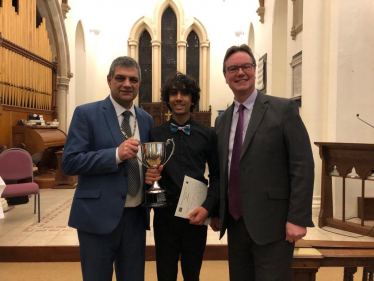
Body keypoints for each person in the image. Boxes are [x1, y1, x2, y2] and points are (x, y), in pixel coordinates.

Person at [210, 44, 315, 281]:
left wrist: (297, 218)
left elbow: (302, 165)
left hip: (274, 223)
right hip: (236, 224)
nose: (240, 73)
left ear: (254, 70)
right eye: (233, 69)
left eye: (246, 66)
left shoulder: (283, 109)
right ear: (226, 77)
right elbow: (223, 171)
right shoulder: (222, 120)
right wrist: (217, 211)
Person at [62, 56, 153, 281]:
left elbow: (145, 161)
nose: (127, 84)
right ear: (109, 80)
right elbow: (70, 162)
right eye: (120, 78)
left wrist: (150, 174)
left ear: (139, 84)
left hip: (135, 217)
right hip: (97, 215)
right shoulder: (86, 114)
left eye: (133, 79)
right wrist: (114, 155)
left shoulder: (146, 119)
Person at [145, 72, 219, 281]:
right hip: (164, 215)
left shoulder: (207, 134)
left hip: (195, 214)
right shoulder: (155, 134)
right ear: (167, 99)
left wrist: (209, 208)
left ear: (193, 99)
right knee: (165, 273)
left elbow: (217, 175)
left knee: (192, 272)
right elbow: (146, 172)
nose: (179, 98)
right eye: (173, 93)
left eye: (185, 93)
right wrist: (148, 176)